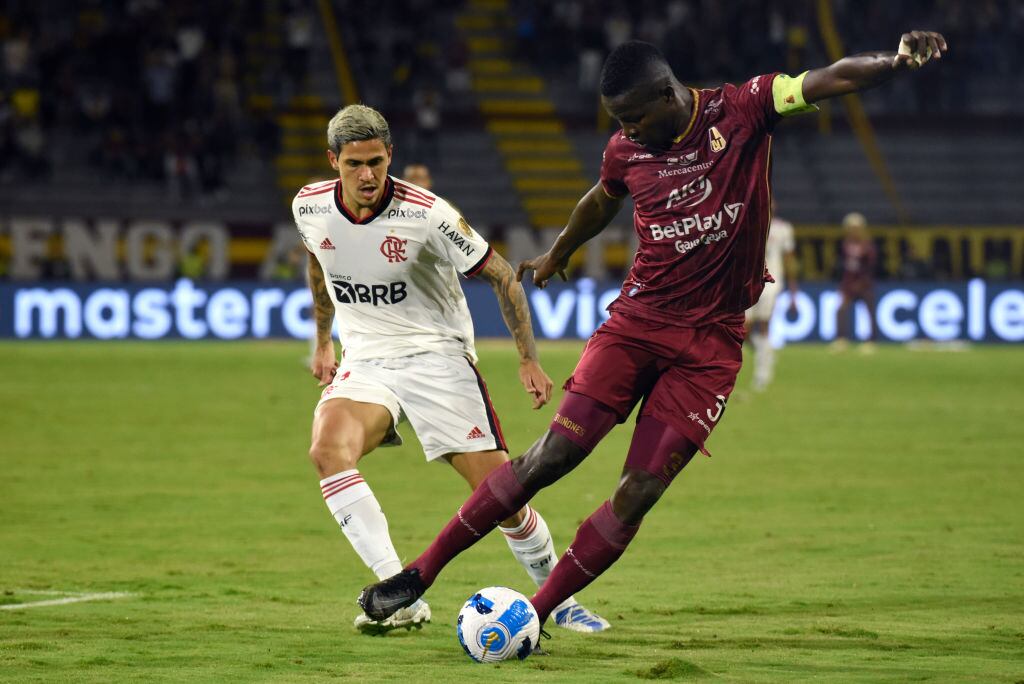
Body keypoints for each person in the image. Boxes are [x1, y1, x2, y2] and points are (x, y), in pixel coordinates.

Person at [359, 32, 948, 632]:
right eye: (618, 120)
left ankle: (533, 615)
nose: (627, 131)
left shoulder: (744, 108)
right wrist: (560, 249)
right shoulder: (625, 149)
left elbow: (834, 77)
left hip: (711, 347)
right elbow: (601, 198)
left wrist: (896, 62)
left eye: (634, 117)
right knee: (554, 454)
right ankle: (420, 573)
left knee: (638, 491)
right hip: (637, 325)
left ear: (668, 95)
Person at [294, 104, 609, 635]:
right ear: (334, 162)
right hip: (368, 358)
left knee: (501, 497)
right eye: (355, 165)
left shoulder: (427, 213)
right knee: (328, 449)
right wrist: (325, 339)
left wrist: (527, 358)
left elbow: (505, 276)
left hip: (438, 358)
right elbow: (317, 263)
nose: (368, 175)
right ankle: (400, 594)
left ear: (390, 155)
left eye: (376, 161)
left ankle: (559, 597)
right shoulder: (309, 207)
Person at [745, 200, 799, 391]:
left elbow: (789, 259)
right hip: (748, 282)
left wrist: (793, 292)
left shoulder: (783, 229)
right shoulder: (747, 225)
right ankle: (766, 354)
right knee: (743, 331)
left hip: (771, 284)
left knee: (764, 326)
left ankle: (762, 374)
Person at [832, 212, 878, 352]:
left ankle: (871, 341)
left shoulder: (867, 245)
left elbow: (870, 267)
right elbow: (844, 266)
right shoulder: (845, 244)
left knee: (869, 312)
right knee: (841, 309)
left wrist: (862, 282)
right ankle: (841, 339)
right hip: (848, 284)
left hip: (865, 284)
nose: (853, 230)